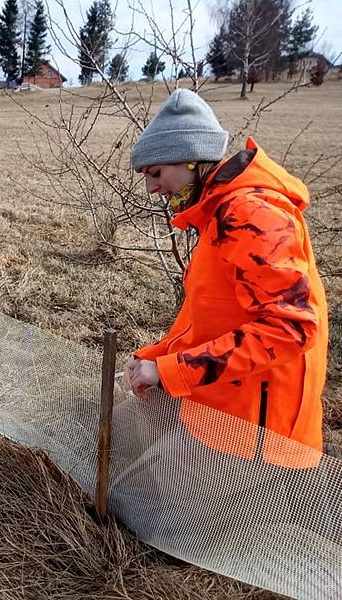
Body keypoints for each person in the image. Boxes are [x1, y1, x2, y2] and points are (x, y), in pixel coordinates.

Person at [122, 89, 328, 468]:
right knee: (125, 448)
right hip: (224, 405)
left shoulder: (249, 215)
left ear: (190, 160)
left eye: (155, 172)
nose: (151, 188)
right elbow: (210, 319)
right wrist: (153, 359)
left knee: (155, 509)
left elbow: (292, 329)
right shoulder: (219, 215)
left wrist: (168, 372)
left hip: (254, 434)